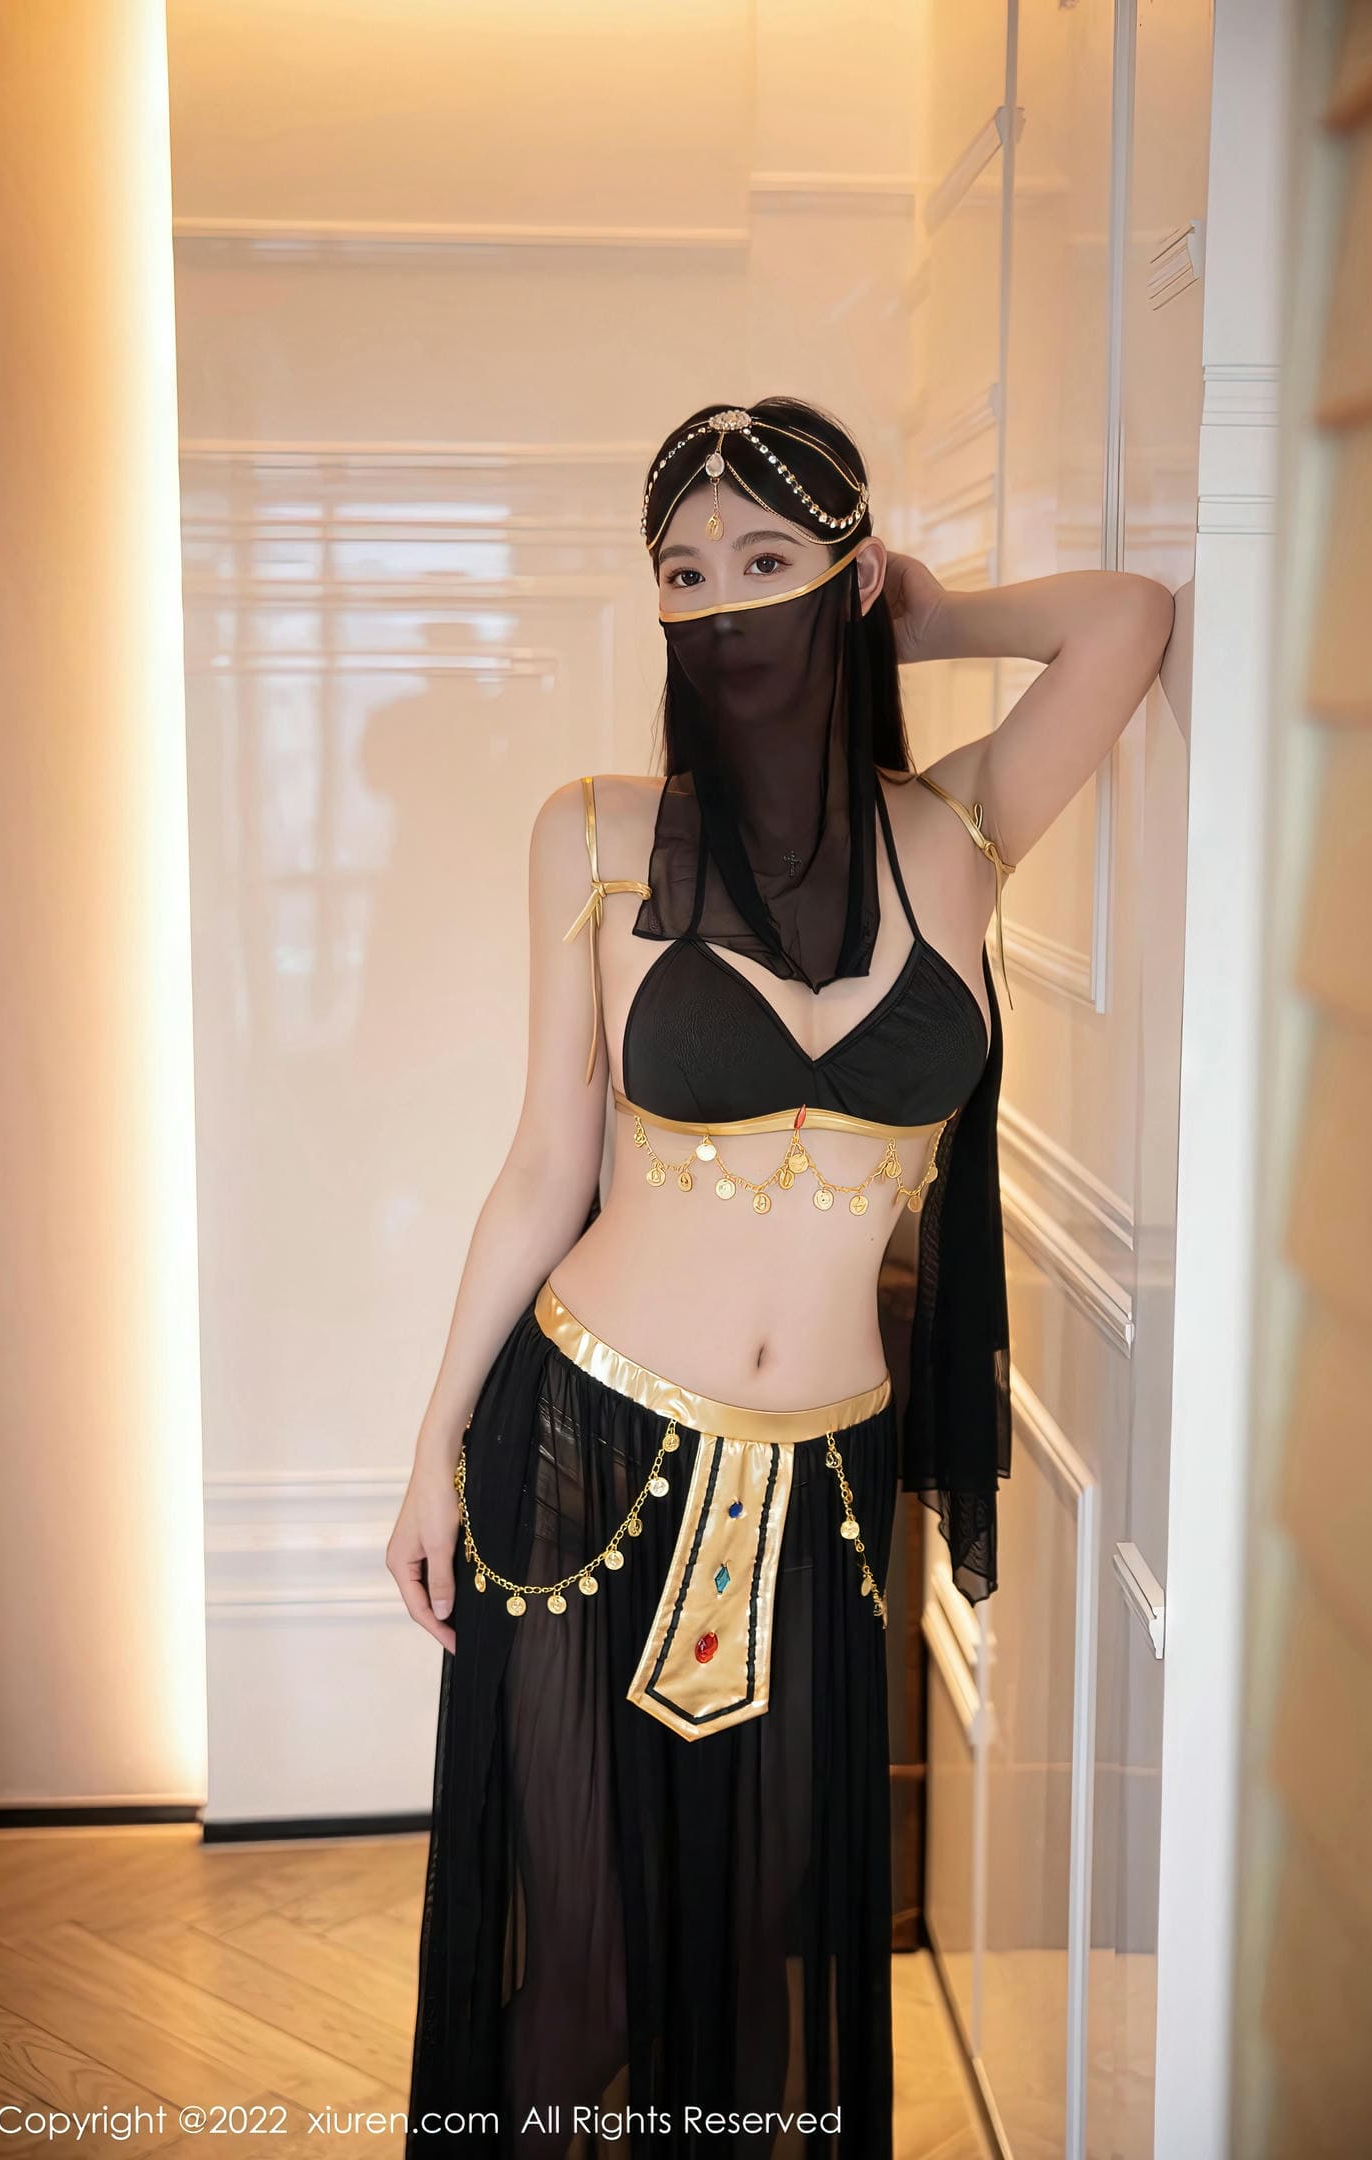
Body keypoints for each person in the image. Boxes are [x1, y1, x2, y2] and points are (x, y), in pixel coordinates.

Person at [391, 396, 1174, 2157]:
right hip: (579, 1448)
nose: (721, 603)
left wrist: (932, 619)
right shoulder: (597, 835)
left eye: (765, 560)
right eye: (683, 574)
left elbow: (1127, 622)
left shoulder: (961, 832)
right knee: (585, 1971)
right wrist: (432, 1448)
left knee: (763, 1957)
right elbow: (544, 1168)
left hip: (824, 1479)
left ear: (848, 576)